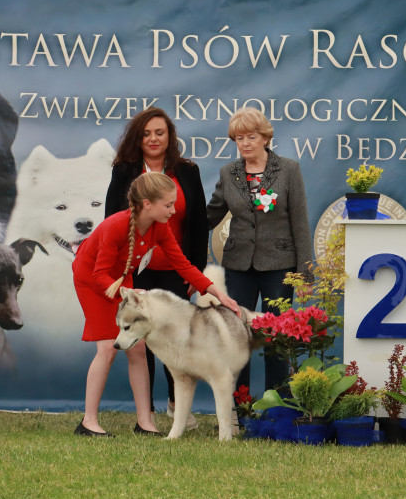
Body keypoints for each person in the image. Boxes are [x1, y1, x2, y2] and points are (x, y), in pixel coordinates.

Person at [73, 172, 239, 436]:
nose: (174, 211)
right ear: (147, 204)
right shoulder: (115, 226)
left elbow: (181, 263)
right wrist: (128, 293)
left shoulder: (159, 226)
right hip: (93, 279)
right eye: (168, 205)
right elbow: (98, 275)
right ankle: (88, 422)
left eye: (174, 204)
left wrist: (216, 292)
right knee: (107, 347)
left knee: (138, 350)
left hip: (121, 277)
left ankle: (145, 422)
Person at [106, 107, 207, 428]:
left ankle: (178, 405)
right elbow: (111, 220)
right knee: (141, 342)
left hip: (176, 271)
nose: (153, 139)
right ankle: (144, 413)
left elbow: (199, 224)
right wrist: (119, 272)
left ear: (169, 137)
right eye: (146, 133)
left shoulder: (188, 171)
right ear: (138, 138)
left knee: (174, 339)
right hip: (136, 272)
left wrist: (196, 271)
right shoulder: (124, 171)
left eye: (159, 133)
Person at [207, 107, 312, 393]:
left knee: (275, 336)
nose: (245, 143)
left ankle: (277, 405)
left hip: (279, 265)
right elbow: (212, 213)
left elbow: (300, 222)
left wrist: (304, 273)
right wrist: (176, 221)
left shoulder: (289, 169)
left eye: (251, 136)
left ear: (265, 137)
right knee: (238, 335)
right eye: (238, 138)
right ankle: (241, 408)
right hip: (238, 266)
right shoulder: (229, 173)